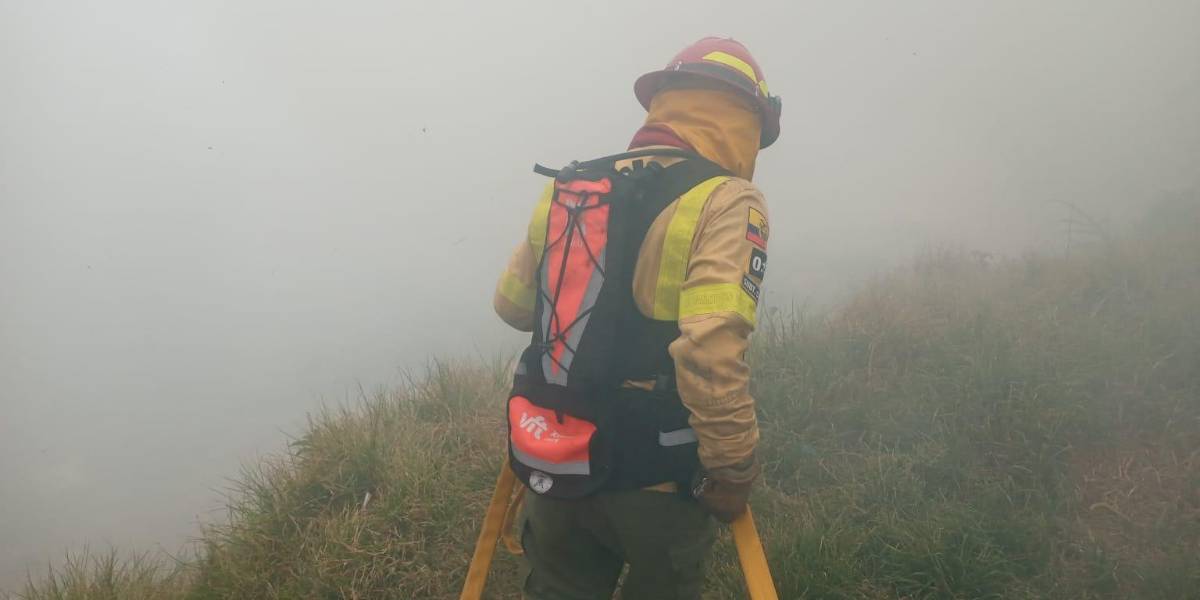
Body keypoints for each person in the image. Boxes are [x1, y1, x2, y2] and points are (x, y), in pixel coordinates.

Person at [492, 36, 781, 600]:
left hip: (556, 456)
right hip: (655, 474)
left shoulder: (572, 186)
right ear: (746, 120)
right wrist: (732, 468)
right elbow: (710, 352)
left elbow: (512, 308)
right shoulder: (728, 199)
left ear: (664, 102)